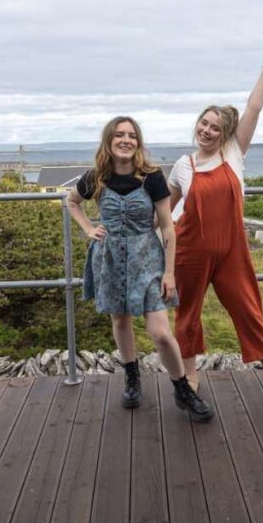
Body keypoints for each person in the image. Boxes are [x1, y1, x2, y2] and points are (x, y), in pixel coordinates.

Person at [168, 45, 263, 402]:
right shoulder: (182, 165)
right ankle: (190, 378)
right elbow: (164, 209)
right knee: (187, 314)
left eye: (214, 127)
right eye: (203, 124)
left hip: (232, 252)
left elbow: (254, 107)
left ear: (225, 134)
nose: (206, 130)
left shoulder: (234, 152)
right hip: (190, 249)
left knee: (248, 309)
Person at [66, 116, 213, 421]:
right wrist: (88, 229)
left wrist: (169, 273)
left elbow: (169, 229)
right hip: (110, 258)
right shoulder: (96, 178)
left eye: (132, 135)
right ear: (109, 140)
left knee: (160, 332)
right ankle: (132, 377)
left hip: (147, 259)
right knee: (120, 320)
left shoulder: (151, 177)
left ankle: (182, 389)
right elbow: (71, 201)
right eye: (119, 135)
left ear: (138, 142)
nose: (126, 140)